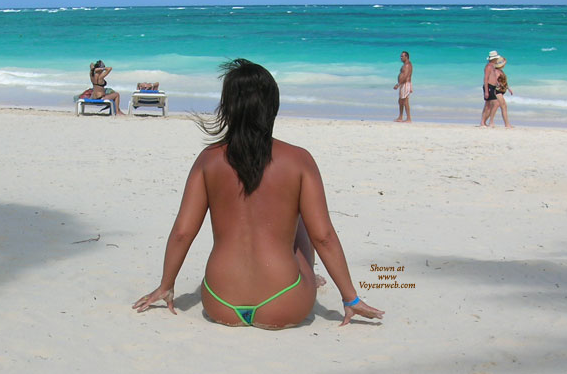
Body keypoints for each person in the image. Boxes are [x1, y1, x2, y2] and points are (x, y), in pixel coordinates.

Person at [133, 59, 385, 329]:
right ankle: (308, 276)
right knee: (302, 216)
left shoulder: (208, 160)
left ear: (227, 107)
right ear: (272, 106)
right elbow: (323, 236)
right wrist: (350, 297)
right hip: (284, 299)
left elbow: (183, 232)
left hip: (220, 301)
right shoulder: (299, 160)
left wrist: (166, 285)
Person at [489, 57, 514, 128]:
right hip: (497, 91)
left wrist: (508, 88)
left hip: (501, 91)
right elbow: (494, 81)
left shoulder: (501, 71)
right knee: (501, 106)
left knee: (502, 106)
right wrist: (498, 85)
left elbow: (504, 81)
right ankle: (492, 122)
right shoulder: (496, 72)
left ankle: (506, 124)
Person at [480, 51, 500, 127]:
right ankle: (490, 121)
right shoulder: (488, 66)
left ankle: (483, 122)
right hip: (488, 86)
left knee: (488, 105)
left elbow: (493, 76)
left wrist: (497, 83)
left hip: (492, 86)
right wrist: (486, 91)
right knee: (496, 103)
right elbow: (486, 78)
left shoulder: (493, 66)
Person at [393, 51, 413, 122]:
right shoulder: (405, 65)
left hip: (405, 84)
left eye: (402, 56)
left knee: (405, 101)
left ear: (406, 57)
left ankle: (408, 118)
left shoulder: (407, 65)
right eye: (400, 56)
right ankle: (400, 117)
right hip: (403, 84)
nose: (401, 57)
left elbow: (405, 76)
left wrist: (398, 84)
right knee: (400, 101)